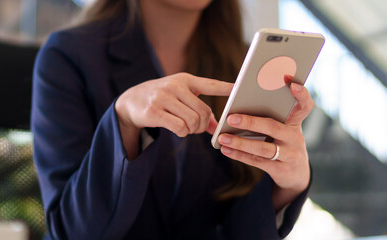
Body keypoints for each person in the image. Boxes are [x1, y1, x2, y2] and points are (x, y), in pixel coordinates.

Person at [31, 0, 314, 239]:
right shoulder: (68, 57)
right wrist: (124, 121)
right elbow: (72, 232)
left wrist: (288, 186)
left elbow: (234, 229)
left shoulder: (244, 65)